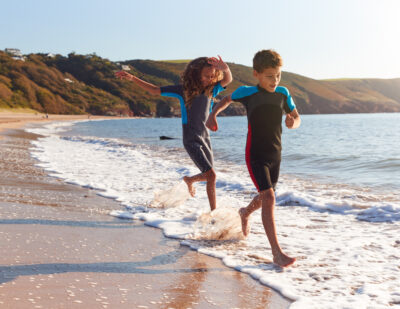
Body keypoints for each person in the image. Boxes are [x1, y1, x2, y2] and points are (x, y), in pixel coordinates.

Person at [206, 49, 300, 267]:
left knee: (265, 197)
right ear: (256, 74)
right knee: (269, 198)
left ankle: (244, 212)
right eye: (269, 76)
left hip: (276, 154)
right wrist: (213, 114)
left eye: (278, 75)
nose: (275, 80)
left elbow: (296, 117)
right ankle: (277, 253)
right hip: (255, 154)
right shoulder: (247, 92)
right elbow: (226, 100)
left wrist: (293, 122)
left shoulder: (283, 93)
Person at [115, 56, 232, 211]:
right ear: (196, 74)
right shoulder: (183, 90)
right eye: (206, 76)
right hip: (191, 139)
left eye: (212, 76)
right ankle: (213, 213)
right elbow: (155, 90)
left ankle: (189, 180)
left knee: (209, 175)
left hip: (205, 138)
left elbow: (228, 80)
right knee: (211, 176)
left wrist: (225, 69)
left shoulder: (211, 89)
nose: (209, 79)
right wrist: (133, 78)